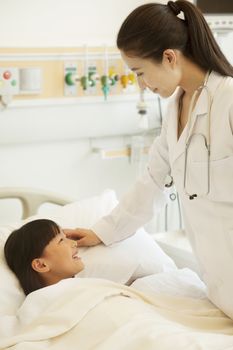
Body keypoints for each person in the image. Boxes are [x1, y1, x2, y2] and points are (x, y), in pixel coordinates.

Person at [65, 0, 233, 319]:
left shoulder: (229, 99)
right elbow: (152, 181)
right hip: (219, 287)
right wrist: (102, 231)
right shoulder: (175, 112)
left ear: (169, 57)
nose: (142, 86)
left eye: (140, 73)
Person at [4, 219, 84, 295]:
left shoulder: (84, 287)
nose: (74, 243)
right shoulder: (40, 306)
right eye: (61, 240)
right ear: (41, 265)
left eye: (66, 237)